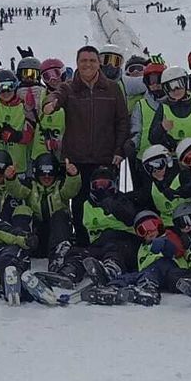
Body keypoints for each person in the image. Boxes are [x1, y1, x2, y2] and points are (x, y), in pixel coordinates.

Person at [43, 45, 129, 237]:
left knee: (106, 202)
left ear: (98, 63)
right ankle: (82, 241)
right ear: (77, 63)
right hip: (77, 159)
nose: (87, 64)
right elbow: (56, 95)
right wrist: (51, 103)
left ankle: (106, 240)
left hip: (105, 158)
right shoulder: (69, 88)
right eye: (83, 61)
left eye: (92, 60)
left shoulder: (112, 88)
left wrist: (119, 150)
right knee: (80, 203)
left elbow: (122, 121)